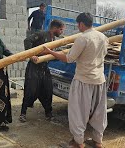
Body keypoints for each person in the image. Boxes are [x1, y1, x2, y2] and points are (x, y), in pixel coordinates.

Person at [43, 13, 108, 148]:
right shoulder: (103, 37)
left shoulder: (82, 38)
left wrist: (50, 51)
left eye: (78, 24)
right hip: (99, 80)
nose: (78, 27)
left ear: (81, 24)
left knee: (78, 112)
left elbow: (69, 59)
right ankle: (98, 141)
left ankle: (78, 142)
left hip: (83, 80)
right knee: (99, 112)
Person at [19, 19, 65, 122]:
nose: (62, 32)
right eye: (61, 30)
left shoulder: (54, 40)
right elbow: (27, 41)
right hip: (34, 67)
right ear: (55, 28)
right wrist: (31, 55)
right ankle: (23, 113)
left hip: (44, 68)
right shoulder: (41, 34)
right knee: (30, 90)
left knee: (48, 90)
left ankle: (49, 114)